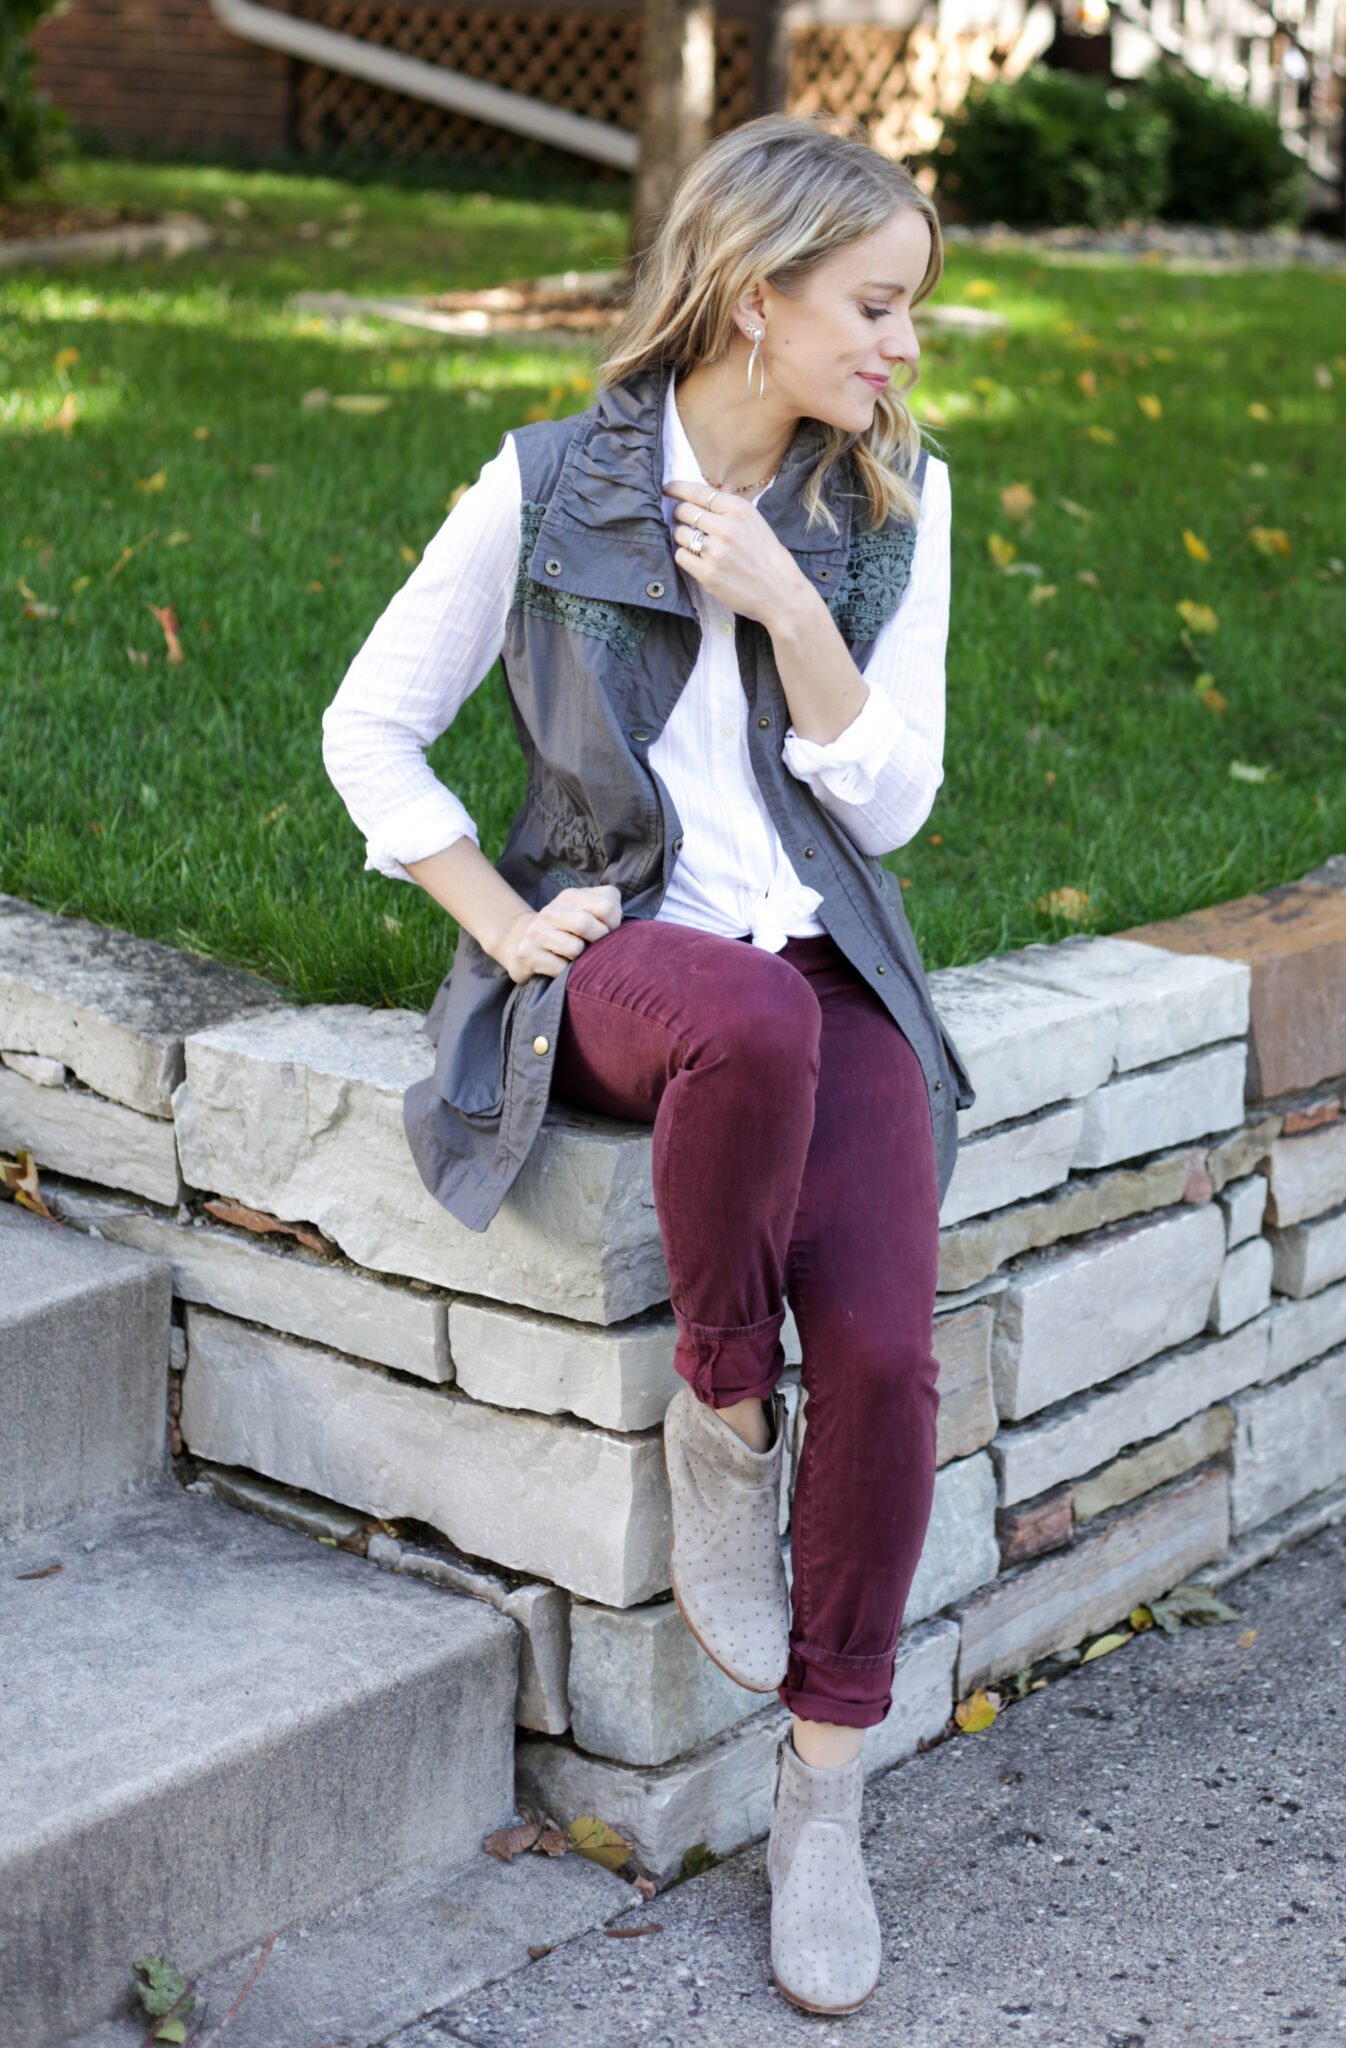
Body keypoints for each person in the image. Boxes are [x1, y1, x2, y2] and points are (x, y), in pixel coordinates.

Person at [321, 109, 975, 2016]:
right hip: (626, 968)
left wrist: (787, 612)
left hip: (821, 968)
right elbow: (371, 727)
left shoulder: (883, 517)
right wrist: (494, 917)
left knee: (879, 1346)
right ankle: (716, 1411)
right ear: (757, 294)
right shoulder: (545, 485)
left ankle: (823, 1785)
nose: (900, 346)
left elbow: (898, 802)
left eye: (910, 310)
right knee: (741, 1020)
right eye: (872, 304)